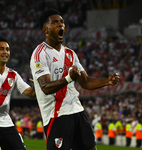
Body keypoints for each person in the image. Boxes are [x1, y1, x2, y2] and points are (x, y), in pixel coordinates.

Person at [30, 8, 120, 150]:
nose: (60, 25)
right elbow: (45, 87)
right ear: (45, 30)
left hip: (77, 110)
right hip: (57, 114)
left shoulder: (70, 53)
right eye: (55, 23)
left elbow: (85, 82)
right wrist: (68, 78)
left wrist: (107, 81)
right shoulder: (40, 53)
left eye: (62, 22)